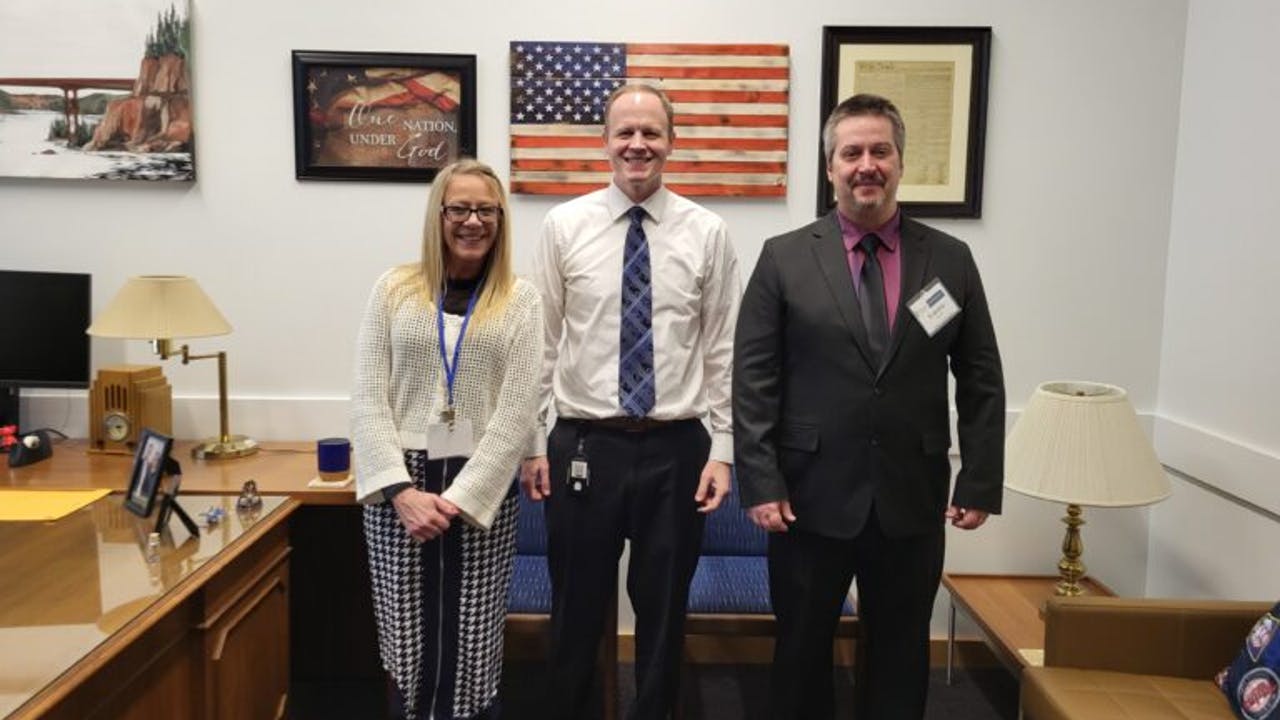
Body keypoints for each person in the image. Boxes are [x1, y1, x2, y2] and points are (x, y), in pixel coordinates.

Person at [733, 93, 1006, 720]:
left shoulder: (950, 259)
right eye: (850, 152)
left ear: (900, 162)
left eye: (879, 151)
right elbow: (753, 378)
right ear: (829, 168)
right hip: (806, 497)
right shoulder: (784, 256)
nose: (866, 165)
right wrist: (761, 480)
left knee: (901, 653)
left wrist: (981, 477)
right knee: (801, 652)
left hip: (911, 497)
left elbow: (981, 375)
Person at [519, 83, 741, 719]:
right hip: (584, 444)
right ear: (605, 142)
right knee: (576, 610)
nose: (638, 145)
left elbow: (722, 349)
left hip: (678, 448)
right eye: (625, 133)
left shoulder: (709, 232)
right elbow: (542, 343)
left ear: (672, 142)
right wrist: (535, 442)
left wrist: (723, 451)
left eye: (651, 133)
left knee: (665, 611)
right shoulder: (564, 226)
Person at [351, 159, 543, 720]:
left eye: (486, 209)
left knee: (473, 637)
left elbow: (516, 414)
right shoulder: (393, 289)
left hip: (480, 487)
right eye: (459, 208)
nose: (473, 221)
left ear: (500, 219)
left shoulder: (521, 299)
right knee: (406, 635)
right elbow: (367, 397)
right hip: (401, 490)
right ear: (439, 215)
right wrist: (401, 493)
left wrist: (458, 500)